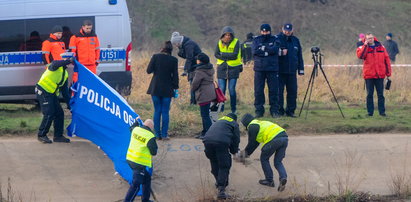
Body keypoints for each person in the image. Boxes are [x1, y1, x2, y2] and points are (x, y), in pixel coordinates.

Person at [239, 113, 288, 192]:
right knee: (278, 162)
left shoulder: (252, 126)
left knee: (264, 158)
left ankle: (269, 180)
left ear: (246, 123)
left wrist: (243, 155)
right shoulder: (260, 123)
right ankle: (283, 177)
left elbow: (252, 144)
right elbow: (255, 143)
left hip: (274, 139)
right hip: (284, 137)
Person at [35, 53, 74, 143]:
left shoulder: (65, 74)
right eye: (67, 60)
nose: (68, 62)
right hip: (43, 91)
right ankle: (41, 135)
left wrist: (70, 105)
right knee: (49, 113)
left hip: (51, 94)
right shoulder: (55, 66)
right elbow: (55, 63)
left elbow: (65, 93)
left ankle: (58, 136)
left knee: (59, 113)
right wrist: (68, 60)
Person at [146, 41, 179, 140]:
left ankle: (157, 134)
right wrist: (176, 88)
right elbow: (175, 75)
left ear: (162, 48)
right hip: (167, 89)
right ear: (171, 50)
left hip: (155, 88)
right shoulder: (174, 60)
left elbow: (148, 71)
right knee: (165, 112)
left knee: (157, 111)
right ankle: (164, 135)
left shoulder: (155, 57)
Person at [203, 113, 240, 199]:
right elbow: (236, 139)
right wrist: (234, 151)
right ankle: (221, 191)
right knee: (224, 165)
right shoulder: (234, 123)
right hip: (221, 143)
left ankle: (218, 182)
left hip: (207, 141)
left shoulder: (218, 121)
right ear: (234, 119)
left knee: (214, 161)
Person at [357, 33, 392, 116]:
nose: (370, 40)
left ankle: (382, 112)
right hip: (369, 75)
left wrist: (388, 73)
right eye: (368, 38)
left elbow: (387, 60)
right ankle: (370, 113)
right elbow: (361, 56)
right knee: (369, 95)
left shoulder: (381, 47)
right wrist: (365, 46)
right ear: (366, 39)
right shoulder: (362, 47)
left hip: (380, 75)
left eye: (371, 38)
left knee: (381, 95)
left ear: (374, 38)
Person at [124, 119, 158, 202]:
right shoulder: (150, 136)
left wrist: (136, 121)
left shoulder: (136, 130)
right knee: (136, 185)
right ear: (151, 127)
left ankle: (145, 199)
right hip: (138, 163)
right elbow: (154, 152)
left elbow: (131, 127)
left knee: (147, 179)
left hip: (130, 159)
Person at [252, 24, 282, 118]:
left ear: (270, 31)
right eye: (263, 31)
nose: (265, 33)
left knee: (273, 91)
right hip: (259, 69)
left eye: (267, 31)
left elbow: (275, 50)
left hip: (272, 69)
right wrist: (268, 51)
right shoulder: (256, 40)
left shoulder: (275, 39)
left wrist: (263, 50)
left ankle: (274, 111)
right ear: (261, 31)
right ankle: (259, 111)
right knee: (258, 91)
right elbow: (255, 51)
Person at [277, 23, 304, 117]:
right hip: (280, 71)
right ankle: (279, 111)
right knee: (279, 92)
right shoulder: (277, 39)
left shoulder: (296, 40)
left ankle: (290, 111)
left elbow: (299, 55)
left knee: (292, 91)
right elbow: (273, 52)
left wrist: (301, 68)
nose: (287, 32)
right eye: (286, 30)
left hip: (292, 71)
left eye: (289, 30)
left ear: (292, 30)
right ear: (282, 29)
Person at [214, 26, 243, 114]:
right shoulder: (219, 42)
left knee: (231, 90)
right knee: (221, 89)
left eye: (229, 35)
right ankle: (221, 108)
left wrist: (223, 55)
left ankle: (233, 109)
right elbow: (216, 54)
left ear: (232, 35)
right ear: (223, 35)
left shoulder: (236, 42)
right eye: (226, 35)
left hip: (233, 69)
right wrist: (227, 56)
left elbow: (235, 55)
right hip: (222, 68)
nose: (228, 36)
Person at [170, 32, 202, 104]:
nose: (175, 46)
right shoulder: (184, 44)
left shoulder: (188, 45)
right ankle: (194, 101)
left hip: (197, 66)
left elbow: (189, 58)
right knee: (192, 84)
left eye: (175, 44)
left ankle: (194, 102)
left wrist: (185, 70)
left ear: (178, 42)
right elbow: (186, 56)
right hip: (193, 65)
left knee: (193, 84)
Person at [191, 53, 216, 139]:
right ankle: (205, 131)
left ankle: (209, 133)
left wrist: (192, 90)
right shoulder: (209, 68)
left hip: (203, 94)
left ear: (200, 61)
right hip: (210, 93)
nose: (196, 60)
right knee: (205, 114)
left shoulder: (200, 71)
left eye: (198, 59)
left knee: (205, 115)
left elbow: (195, 84)